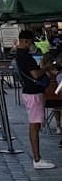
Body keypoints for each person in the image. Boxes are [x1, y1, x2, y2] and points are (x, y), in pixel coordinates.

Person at [14, 28, 55, 169]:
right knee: (34, 124)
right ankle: (37, 159)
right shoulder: (24, 56)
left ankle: (37, 158)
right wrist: (46, 68)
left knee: (35, 124)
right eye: (30, 43)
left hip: (30, 92)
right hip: (33, 93)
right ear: (25, 41)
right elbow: (35, 75)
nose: (32, 45)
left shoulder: (20, 55)